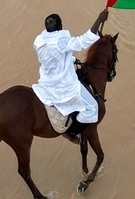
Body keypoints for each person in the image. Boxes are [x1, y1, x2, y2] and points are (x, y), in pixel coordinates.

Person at [32, 9, 109, 143]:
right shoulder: (60, 42)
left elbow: (54, 57)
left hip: (46, 81)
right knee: (93, 108)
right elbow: (83, 41)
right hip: (63, 83)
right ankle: (71, 132)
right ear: (60, 26)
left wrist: (71, 60)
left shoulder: (39, 41)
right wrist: (99, 19)